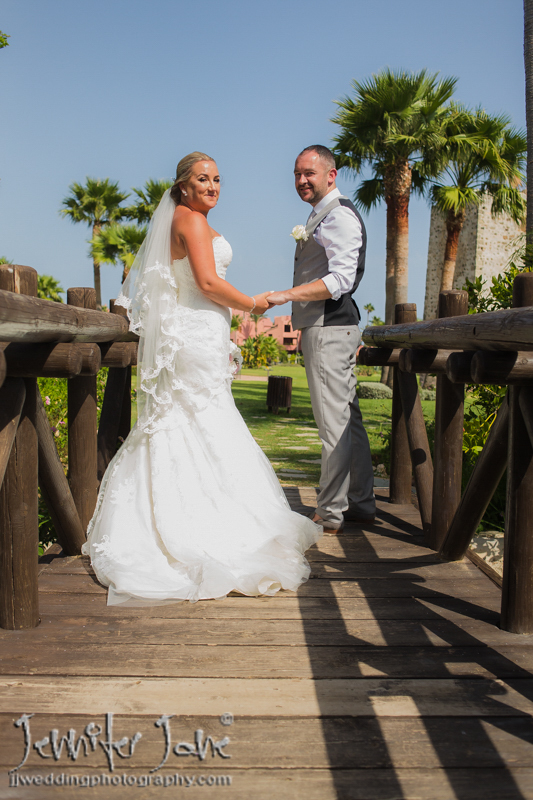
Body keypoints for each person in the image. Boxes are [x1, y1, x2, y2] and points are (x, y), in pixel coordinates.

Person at [82, 152, 322, 605]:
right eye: (202, 179)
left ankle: (194, 512)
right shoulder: (190, 221)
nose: (212, 186)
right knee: (201, 421)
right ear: (184, 187)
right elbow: (208, 283)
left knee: (192, 422)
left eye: (217, 179)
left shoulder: (186, 220)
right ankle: (202, 526)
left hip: (198, 334)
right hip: (194, 337)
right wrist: (253, 303)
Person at [268, 145, 376, 532]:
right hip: (328, 329)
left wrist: (286, 295)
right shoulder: (322, 215)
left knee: (333, 427)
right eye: (297, 174)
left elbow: (340, 281)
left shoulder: (339, 216)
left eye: (308, 173)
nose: (301, 180)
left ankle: (329, 512)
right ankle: (361, 502)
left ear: (331, 175)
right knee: (349, 422)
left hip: (330, 329)